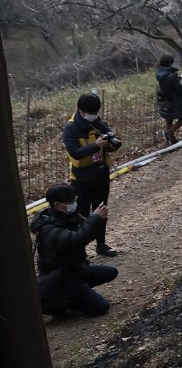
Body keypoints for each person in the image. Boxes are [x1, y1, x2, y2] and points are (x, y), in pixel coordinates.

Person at [32, 184, 117, 317]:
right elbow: (76, 240)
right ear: (58, 205)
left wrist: (98, 219)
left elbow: (87, 232)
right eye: (71, 201)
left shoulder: (67, 216)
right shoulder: (48, 229)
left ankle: (77, 293)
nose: (75, 203)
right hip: (60, 278)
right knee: (101, 307)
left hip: (75, 270)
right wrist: (94, 219)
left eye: (75, 199)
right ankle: (65, 301)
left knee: (111, 272)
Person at [62, 92, 120, 257]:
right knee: (81, 214)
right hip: (81, 178)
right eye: (90, 112)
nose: (93, 116)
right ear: (80, 110)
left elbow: (108, 146)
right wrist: (95, 145)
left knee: (101, 210)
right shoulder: (71, 128)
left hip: (101, 174)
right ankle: (80, 250)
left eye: (96, 112)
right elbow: (75, 153)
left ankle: (101, 244)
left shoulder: (99, 123)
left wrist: (112, 144)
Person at [156, 54, 182, 146]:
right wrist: (181, 83)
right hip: (175, 100)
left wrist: (176, 79)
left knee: (169, 119)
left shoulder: (159, 73)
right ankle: (169, 133)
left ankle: (171, 140)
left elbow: (167, 83)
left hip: (165, 100)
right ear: (170, 63)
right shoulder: (171, 75)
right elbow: (179, 88)